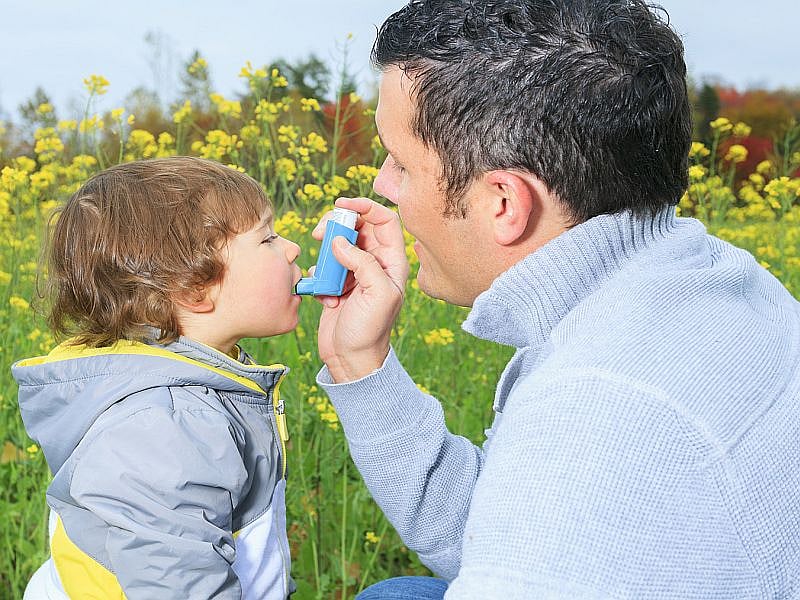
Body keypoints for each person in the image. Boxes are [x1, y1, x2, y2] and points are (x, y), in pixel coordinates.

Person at [312, 0, 800, 598]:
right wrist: (360, 364)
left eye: (401, 164)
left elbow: (557, 510)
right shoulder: (718, 279)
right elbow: (504, 535)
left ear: (504, 204)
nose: (380, 186)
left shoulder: (590, 414)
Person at [12, 156, 303, 599]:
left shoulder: (194, 382)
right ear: (194, 288)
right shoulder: (163, 427)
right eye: (267, 238)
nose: (292, 249)